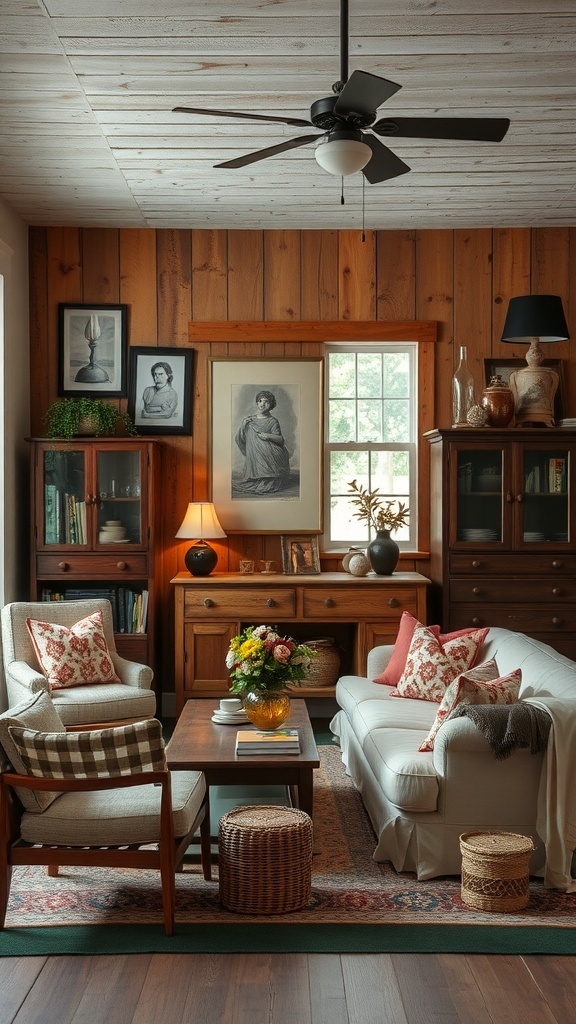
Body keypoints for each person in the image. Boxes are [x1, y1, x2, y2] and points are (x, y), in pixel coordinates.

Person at [234, 390, 290, 494]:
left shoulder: (273, 421)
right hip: (255, 455)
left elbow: (280, 439)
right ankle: (256, 475)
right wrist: (243, 425)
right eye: (260, 401)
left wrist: (267, 436)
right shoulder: (250, 420)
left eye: (266, 402)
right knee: (250, 428)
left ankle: (267, 476)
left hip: (271, 452)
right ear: (257, 403)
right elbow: (240, 438)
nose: (262, 404)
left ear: (271, 405)